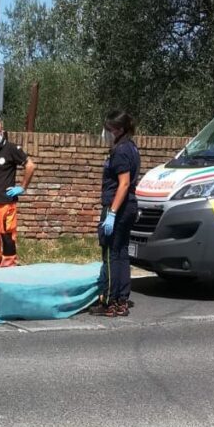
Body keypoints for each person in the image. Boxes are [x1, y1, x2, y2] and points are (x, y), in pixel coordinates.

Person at [90, 110, 140, 317]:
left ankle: (109, 301)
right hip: (128, 206)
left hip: (117, 206)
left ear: (118, 130)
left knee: (111, 254)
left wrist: (111, 213)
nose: (106, 133)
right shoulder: (132, 148)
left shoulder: (120, 151)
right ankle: (121, 299)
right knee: (121, 253)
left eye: (108, 129)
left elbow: (124, 183)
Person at [0, 118, 36, 267]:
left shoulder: (12, 149)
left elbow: (30, 166)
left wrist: (22, 187)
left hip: (5, 202)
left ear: (3, 131)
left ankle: (8, 265)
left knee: (7, 236)